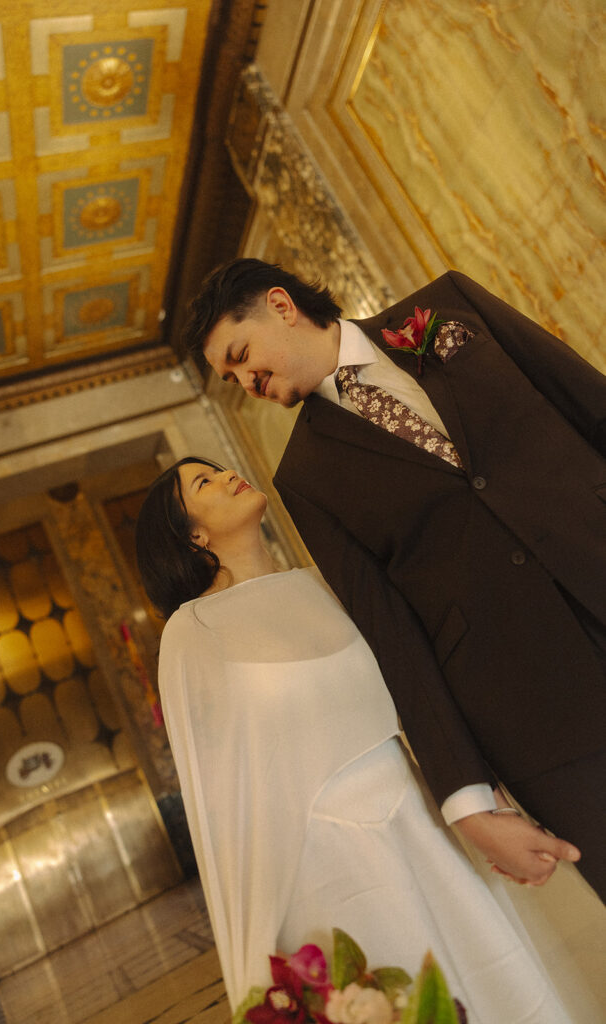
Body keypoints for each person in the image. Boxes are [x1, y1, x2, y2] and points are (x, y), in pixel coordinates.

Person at [181, 259, 606, 900]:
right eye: (232, 377)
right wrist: (467, 800)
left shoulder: (449, 308)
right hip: (541, 716)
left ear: (281, 304)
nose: (247, 380)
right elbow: (392, 634)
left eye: (242, 355)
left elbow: (590, 406)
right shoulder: (304, 478)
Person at [135, 456, 581, 1020]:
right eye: (204, 483)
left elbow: (410, 699)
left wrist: (479, 797)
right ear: (192, 535)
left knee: (495, 983)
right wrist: (252, 954)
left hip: (415, 817)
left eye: (219, 468)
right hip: (324, 865)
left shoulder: (317, 586)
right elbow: (217, 798)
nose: (227, 476)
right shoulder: (189, 634)